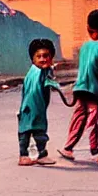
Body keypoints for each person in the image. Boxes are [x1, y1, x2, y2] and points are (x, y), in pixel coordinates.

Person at [58, 9, 98, 164]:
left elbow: (85, 65)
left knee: (78, 116)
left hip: (80, 87)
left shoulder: (83, 46)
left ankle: (68, 147)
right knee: (92, 118)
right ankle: (93, 150)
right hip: (93, 89)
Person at [18, 39, 60, 167]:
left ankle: (41, 154)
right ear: (33, 59)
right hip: (30, 108)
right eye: (39, 56)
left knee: (39, 132)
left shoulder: (42, 71)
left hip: (38, 108)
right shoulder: (36, 73)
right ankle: (24, 155)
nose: (43, 59)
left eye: (46, 56)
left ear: (51, 57)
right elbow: (40, 88)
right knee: (27, 132)